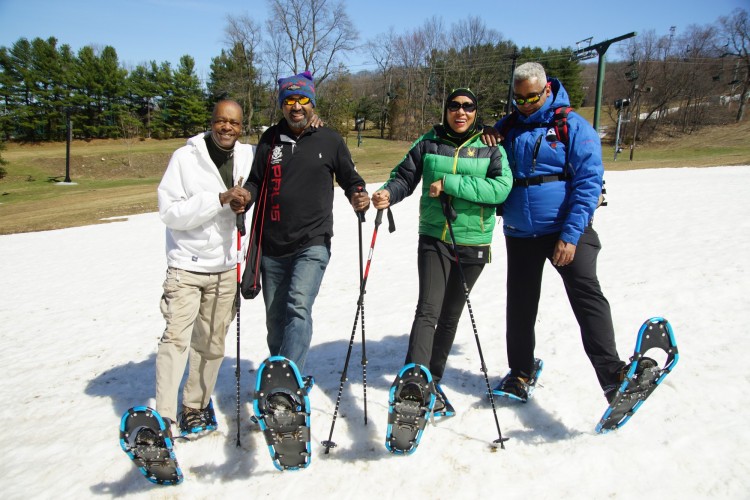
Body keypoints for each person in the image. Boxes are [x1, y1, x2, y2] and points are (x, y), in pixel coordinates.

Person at [483, 62, 645, 403]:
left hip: (566, 228)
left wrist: (570, 236)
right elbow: (485, 160)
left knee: (586, 297)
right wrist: (488, 136)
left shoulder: (572, 125)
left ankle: (614, 376)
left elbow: (588, 184)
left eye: (531, 98)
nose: (524, 105)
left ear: (546, 90)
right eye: (518, 99)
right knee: (520, 306)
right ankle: (520, 372)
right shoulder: (507, 127)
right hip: (521, 232)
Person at [372, 88, 512, 414]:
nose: (460, 112)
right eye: (454, 106)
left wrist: (450, 183)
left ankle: (432, 382)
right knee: (428, 310)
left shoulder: (491, 148)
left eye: (467, 107)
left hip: (473, 241)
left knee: (450, 317)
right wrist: (387, 194)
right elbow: (404, 177)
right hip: (435, 237)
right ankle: (413, 384)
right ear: (446, 110)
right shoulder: (429, 142)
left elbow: (501, 189)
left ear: (476, 112)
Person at [243, 71, 370, 374]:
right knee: (275, 322)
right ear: (281, 104)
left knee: (298, 305)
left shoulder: (330, 139)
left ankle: (288, 382)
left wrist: (358, 195)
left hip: (313, 241)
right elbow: (255, 182)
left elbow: (351, 179)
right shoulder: (269, 139)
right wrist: (244, 195)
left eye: (302, 99)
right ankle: (281, 375)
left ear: (312, 103)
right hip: (272, 246)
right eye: (289, 100)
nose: (296, 106)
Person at [155, 99, 253, 437]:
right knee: (175, 340)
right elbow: (170, 213)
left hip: (226, 266)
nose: (227, 128)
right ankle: (164, 416)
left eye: (234, 123)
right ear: (211, 122)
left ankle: (194, 407)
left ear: (242, 127)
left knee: (212, 344)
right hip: (186, 265)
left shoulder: (247, 155)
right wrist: (219, 199)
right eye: (221, 121)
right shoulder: (185, 158)